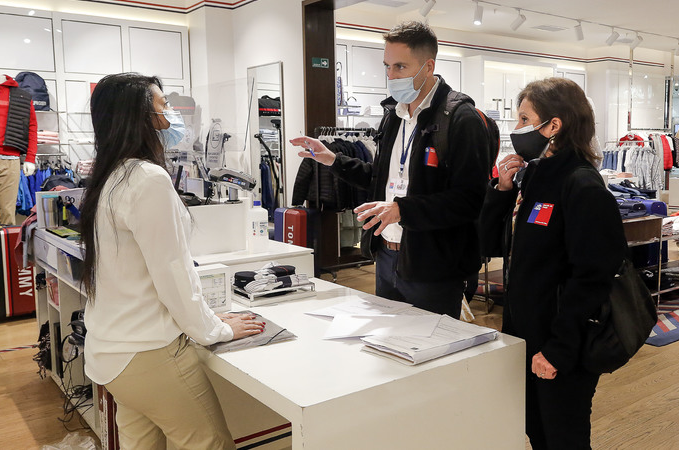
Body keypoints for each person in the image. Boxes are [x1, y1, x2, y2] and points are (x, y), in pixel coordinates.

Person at [80, 73, 265, 449]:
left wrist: (211, 319)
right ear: (140, 117)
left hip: (113, 356)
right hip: (152, 354)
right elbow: (173, 275)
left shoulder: (110, 177)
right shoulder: (147, 179)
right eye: (164, 108)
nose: (171, 120)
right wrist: (216, 330)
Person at [290, 21, 489, 318]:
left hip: (432, 265)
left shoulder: (461, 119)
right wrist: (331, 158)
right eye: (387, 66)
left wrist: (402, 210)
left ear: (428, 66)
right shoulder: (393, 115)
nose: (391, 76)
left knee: (429, 354)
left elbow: (469, 200)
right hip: (385, 256)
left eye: (400, 67)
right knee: (388, 349)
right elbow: (378, 178)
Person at [479, 77, 627, 449]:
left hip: (563, 343)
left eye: (524, 119)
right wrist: (503, 190)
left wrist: (559, 349)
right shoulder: (536, 176)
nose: (517, 129)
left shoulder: (582, 186)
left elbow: (593, 278)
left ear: (553, 126)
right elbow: (491, 244)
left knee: (564, 436)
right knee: (537, 431)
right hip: (527, 332)